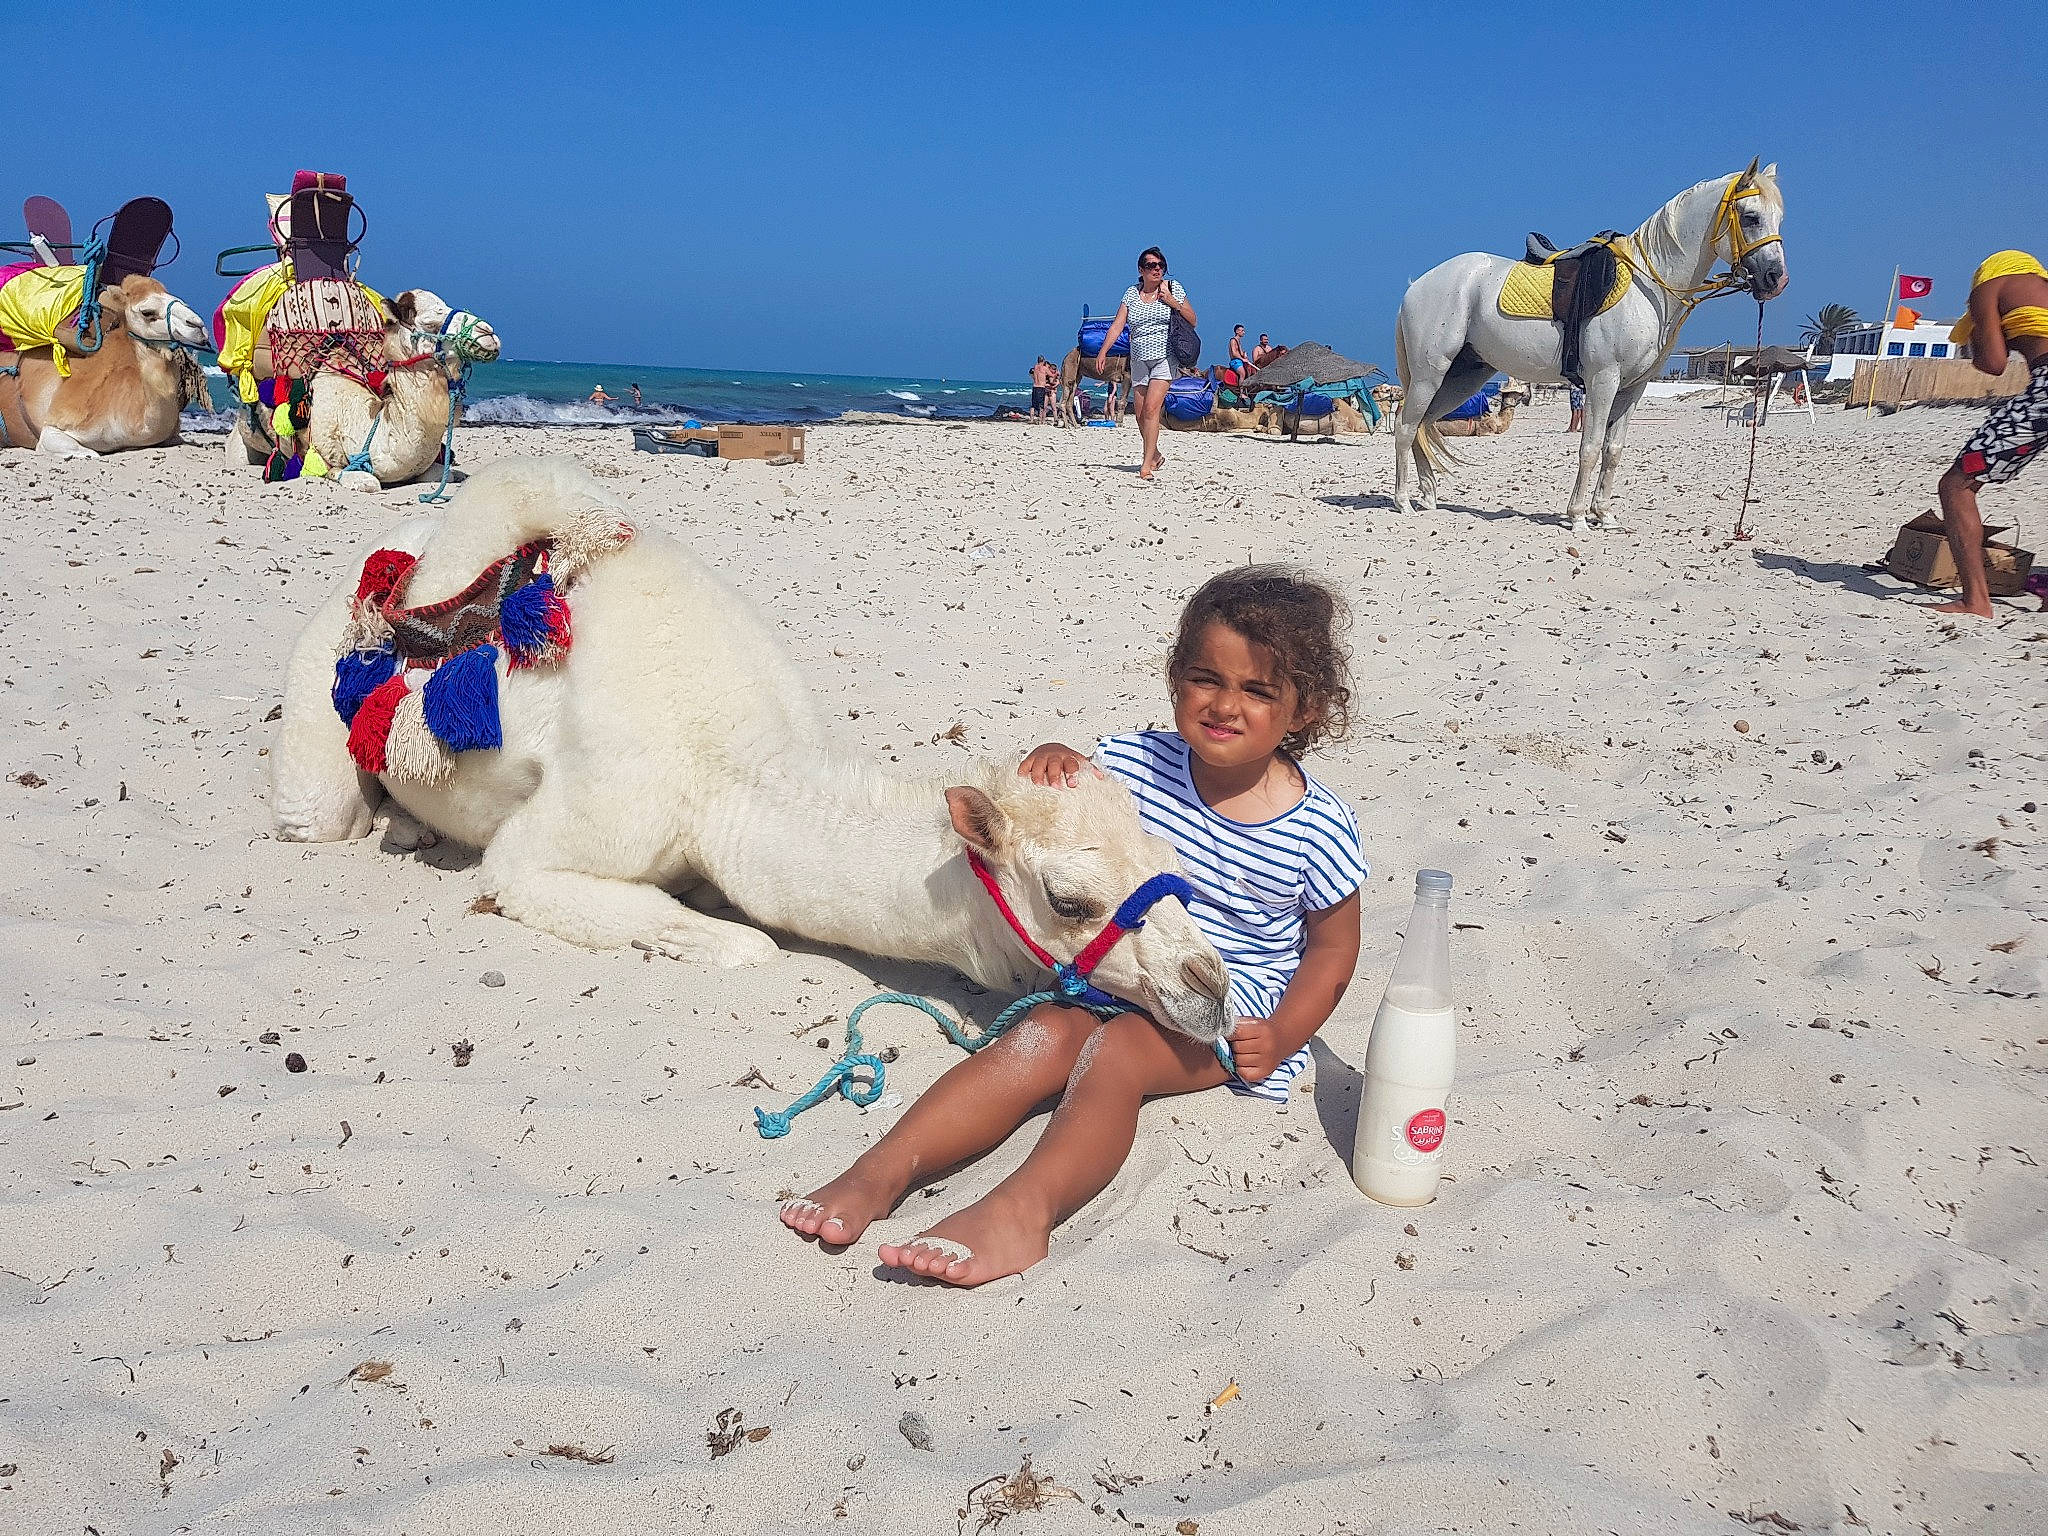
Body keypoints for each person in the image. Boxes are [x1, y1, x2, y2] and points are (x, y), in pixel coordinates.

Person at [779, 566, 1366, 1287]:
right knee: (1039, 1037)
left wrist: (1283, 1035)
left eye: (1258, 691)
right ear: (1176, 676)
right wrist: (1057, 749)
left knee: (1116, 1054)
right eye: (1205, 678)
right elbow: (1074, 799)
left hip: (1227, 1005)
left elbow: (1335, 950)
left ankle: (1026, 1210)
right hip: (1118, 974)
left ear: (1304, 711)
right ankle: (883, 1168)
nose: (1224, 705)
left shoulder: (1317, 829)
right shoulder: (1136, 763)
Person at [1938, 250, 2048, 618]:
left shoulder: (1989, 288)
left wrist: (1979, 333)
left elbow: (1993, 364)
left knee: (1956, 485)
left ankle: (1976, 601)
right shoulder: (2039, 288)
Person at [1095, 247, 1196, 480]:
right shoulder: (1131, 293)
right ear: (1141, 270)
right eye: (1151, 265)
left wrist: (1172, 302)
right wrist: (1103, 352)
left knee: (1151, 410)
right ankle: (1156, 454)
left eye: (1161, 265)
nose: (1157, 269)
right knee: (1140, 415)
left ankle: (1146, 465)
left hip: (1165, 357)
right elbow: (1118, 325)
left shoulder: (1172, 288)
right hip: (1139, 359)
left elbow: (1193, 319)